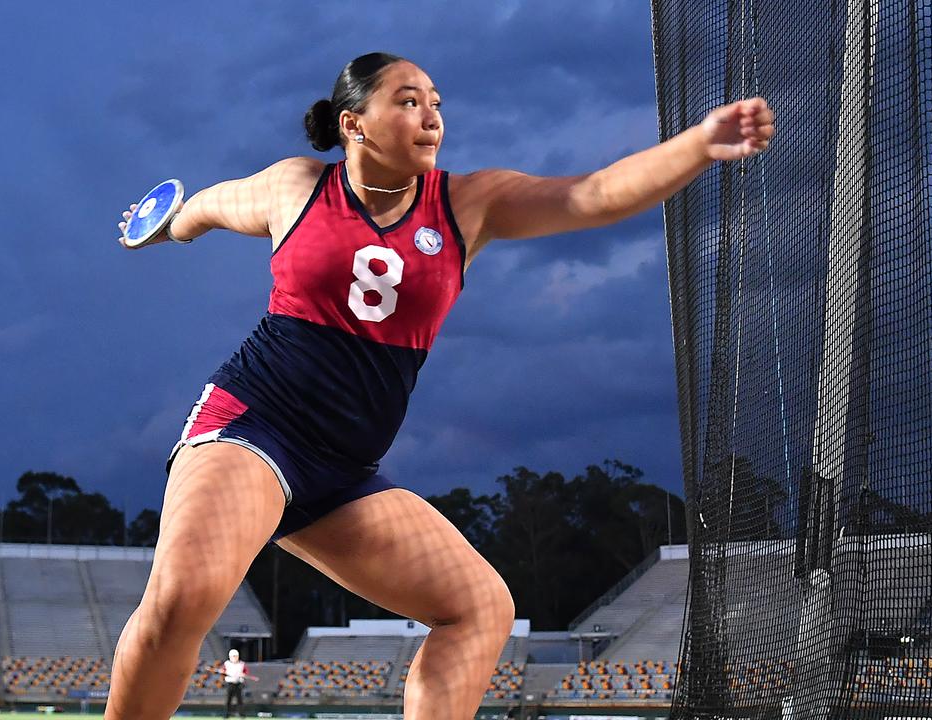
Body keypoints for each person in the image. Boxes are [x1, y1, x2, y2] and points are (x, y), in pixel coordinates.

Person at [107, 52, 774, 720]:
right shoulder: (296, 187)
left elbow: (592, 194)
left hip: (342, 472)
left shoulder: (467, 205)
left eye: (437, 103)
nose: (431, 117)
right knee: (184, 599)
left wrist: (697, 145)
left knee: (479, 608)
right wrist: (164, 223)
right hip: (255, 426)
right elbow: (209, 208)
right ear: (354, 124)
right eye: (407, 101)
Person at [221, 648, 255, 718]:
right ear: (230, 656)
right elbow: (223, 672)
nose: (235, 657)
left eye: (236, 656)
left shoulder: (241, 664)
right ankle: (227, 714)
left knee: (240, 700)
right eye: (233, 656)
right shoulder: (226, 663)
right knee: (228, 700)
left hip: (238, 683)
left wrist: (243, 674)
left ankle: (241, 714)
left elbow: (245, 672)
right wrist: (224, 673)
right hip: (230, 683)